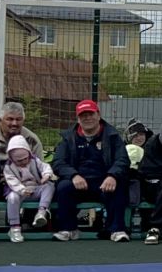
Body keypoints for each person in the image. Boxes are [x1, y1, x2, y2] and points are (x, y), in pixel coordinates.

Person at [51, 99, 132, 243]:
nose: (87, 118)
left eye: (91, 114)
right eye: (83, 115)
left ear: (98, 115)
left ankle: (117, 229)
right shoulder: (68, 138)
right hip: (78, 182)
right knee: (63, 187)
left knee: (118, 186)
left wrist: (112, 175)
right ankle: (68, 229)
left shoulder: (113, 136)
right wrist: (73, 175)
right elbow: (58, 162)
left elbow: (123, 160)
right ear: (78, 118)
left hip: (104, 181)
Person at [1, 134, 55, 243]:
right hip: (19, 191)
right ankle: (14, 227)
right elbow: (11, 181)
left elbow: (45, 167)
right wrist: (22, 190)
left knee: (49, 186)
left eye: (25, 158)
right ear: (12, 158)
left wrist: (46, 175)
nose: (23, 162)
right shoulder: (8, 167)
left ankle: (41, 212)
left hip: (35, 188)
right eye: (19, 161)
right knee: (12, 198)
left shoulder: (34, 160)